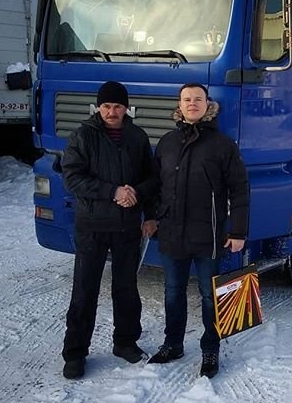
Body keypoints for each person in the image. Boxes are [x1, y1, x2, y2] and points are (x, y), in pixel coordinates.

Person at [148, 83, 249, 379]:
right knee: (173, 292)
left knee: (210, 296)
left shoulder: (223, 145)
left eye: (198, 99)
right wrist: (153, 217)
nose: (192, 104)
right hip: (172, 233)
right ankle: (173, 344)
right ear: (179, 105)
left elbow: (240, 190)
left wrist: (239, 231)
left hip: (210, 236)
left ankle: (210, 349)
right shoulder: (166, 142)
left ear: (208, 105)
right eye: (187, 99)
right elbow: (156, 187)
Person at [61, 81, 158, 379]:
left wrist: (145, 206)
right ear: (98, 107)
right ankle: (75, 353)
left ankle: (125, 342)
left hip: (128, 226)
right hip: (92, 226)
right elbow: (72, 177)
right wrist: (113, 191)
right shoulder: (83, 136)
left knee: (126, 288)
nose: (111, 112)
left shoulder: (137, 137)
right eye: (106, 106)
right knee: (84, 290)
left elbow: (152, 180)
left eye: (117, 106)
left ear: (126, 108)